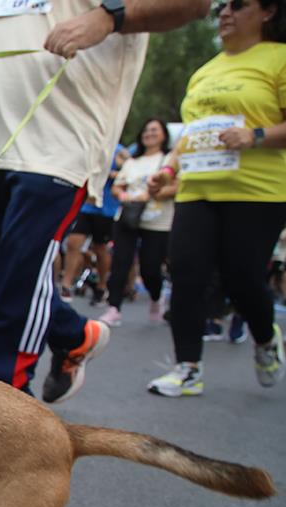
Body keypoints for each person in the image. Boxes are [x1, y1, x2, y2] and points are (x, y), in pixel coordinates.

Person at [0, 0, 209, 403]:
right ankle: (73, 334)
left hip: (60, 143)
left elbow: (195, 5)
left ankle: (3, 405)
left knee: (22, 272)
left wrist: (109, 17)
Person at [147, 0, 286, 396]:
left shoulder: (278, 58)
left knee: (242, 277)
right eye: (222, 6)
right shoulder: (205, 71)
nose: (225, 12)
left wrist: (256, 135)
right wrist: (168, 170)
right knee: (187, 274)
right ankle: (187, 368)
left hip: (257, 190)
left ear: (268, 11)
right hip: (198, 188)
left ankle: (264, 337)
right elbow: (193, 133)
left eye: (239, 5)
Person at [98, 118, 175, 327]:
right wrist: (122, 196)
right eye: (146, 130)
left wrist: (153, 195)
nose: (149, 133)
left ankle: (156, 296)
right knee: (120, 262)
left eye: (154, 130)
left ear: (164, 135)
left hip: (157, 221)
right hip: (127, 217)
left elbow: (177, 187)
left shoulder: (169, 159)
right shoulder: (132, 161)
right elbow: (117, 186)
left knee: (150, 268)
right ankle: (113, 307)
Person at [60, 144, 128, 305]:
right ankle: (66, 285)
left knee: (100, 248)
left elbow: (129, 175)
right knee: (73, 243)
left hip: (106, 209)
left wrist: (114, 172)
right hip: (85, 206)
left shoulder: (119, 150)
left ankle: (102, 285)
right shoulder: (91, 144)